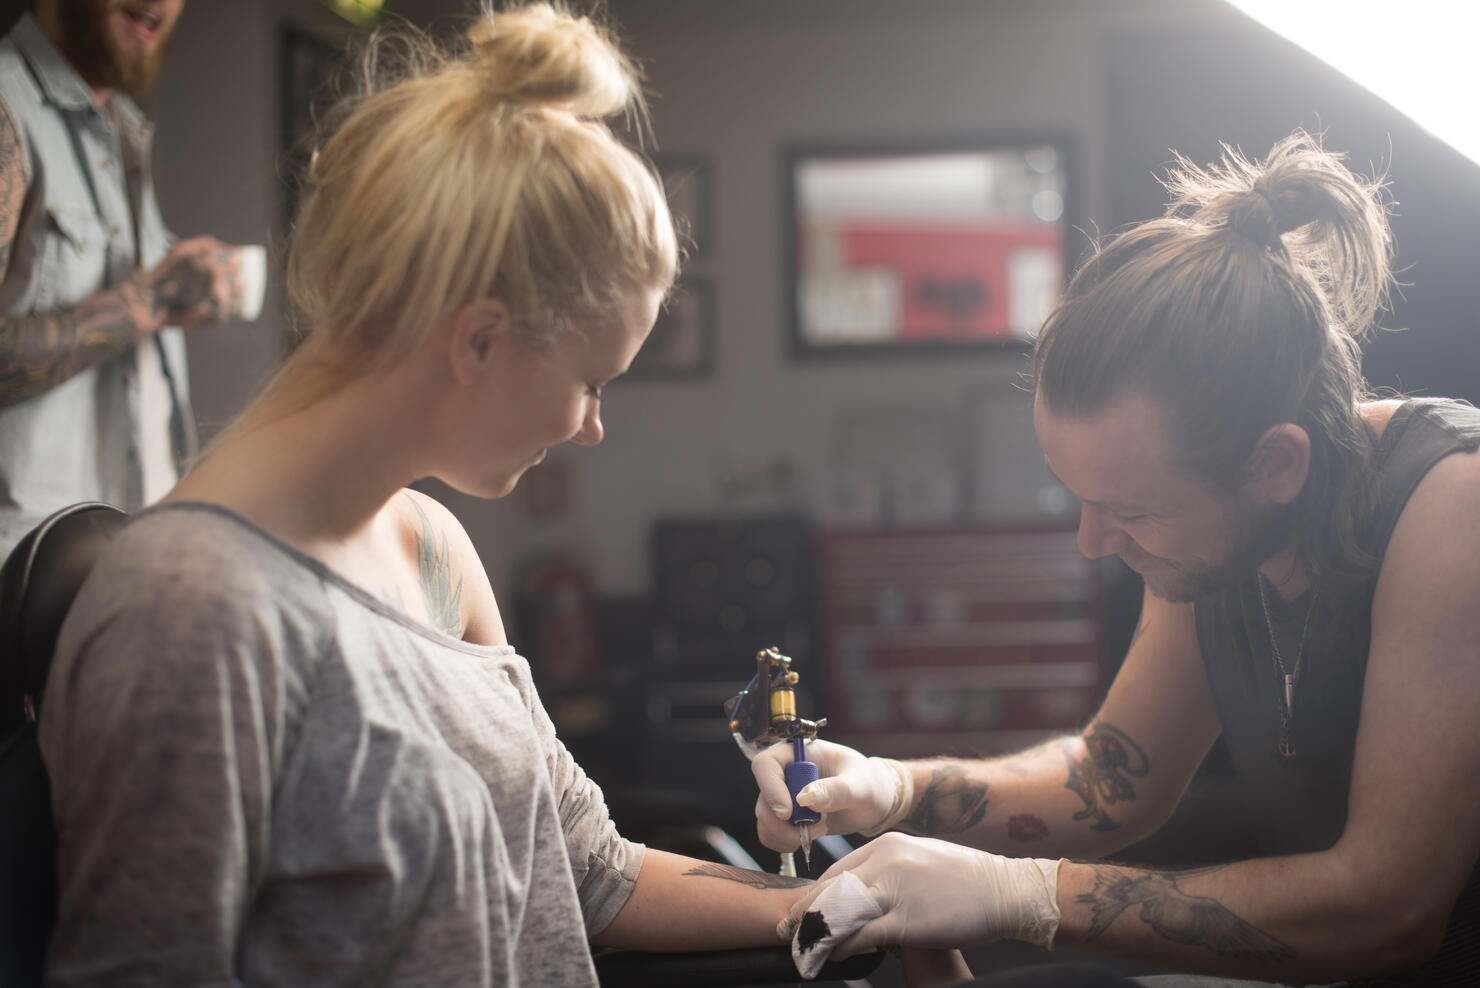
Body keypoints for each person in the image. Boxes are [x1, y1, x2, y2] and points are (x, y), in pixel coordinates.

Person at [33, 5, 972, 986]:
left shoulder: (430, 547)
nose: (591, 426)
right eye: (590, 380)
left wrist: (862, 899)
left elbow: (592, 876)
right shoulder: (188, 610)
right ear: (478, 339)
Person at [754, 132, 1480, 986]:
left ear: (1276, 466)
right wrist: (895, 789)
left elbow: (1388, 907)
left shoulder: (1451, 508)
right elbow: (1113, 777)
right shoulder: (1208, 536)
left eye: (1132, 511)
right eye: (1083, 500)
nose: (1094, 543)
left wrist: (1019, 894)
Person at [0, 0, 248, 557]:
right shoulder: (5, 103)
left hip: (118, 566)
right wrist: (151, 298)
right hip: (19, 592)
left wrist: (176, 301)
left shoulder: (123, 130)